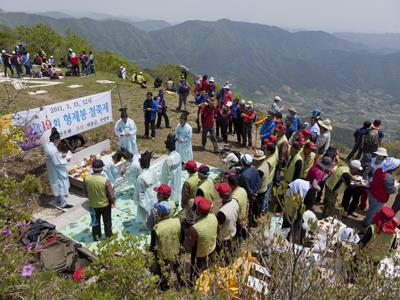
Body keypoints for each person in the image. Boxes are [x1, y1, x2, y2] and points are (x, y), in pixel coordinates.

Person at [149, 201, 182, 290]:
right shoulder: (177, 221)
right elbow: (181, 237)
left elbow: (153, 247)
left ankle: (165, 287)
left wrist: (153, 258)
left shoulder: (156, 228)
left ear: (160, 213)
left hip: (163, 255)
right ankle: (182, 283)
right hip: (176, 251)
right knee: (178, 268)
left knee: (164, 272)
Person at [186, 196, 218, 283]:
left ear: (197, 211)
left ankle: (194, 285)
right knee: (208, 268)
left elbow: (190, 244)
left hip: (199, 254)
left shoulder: (195, 228)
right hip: (211, 248)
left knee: (196, 272)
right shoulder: (214, 217)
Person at [84, 159, 115, 240]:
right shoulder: (105, 180)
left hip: (93, 205)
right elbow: (111, 194)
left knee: (95, 222)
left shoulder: (86, 179)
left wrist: (90, 198)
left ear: (92, 168)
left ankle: (96, 237)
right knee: (107, 221)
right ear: (102, 169)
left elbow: (85, 192)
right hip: (105, 205)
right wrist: (113, 201)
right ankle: (109, 236)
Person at [363, 157, 400, 226]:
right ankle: (366, 224)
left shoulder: (380, 169)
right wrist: (395, 187)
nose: (397, 168)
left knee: (371, 209)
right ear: (393, 167)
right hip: (379, 197)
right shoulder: (388, 177)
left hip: (372, 192)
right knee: (373, 212)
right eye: (397, 166)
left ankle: (366, 220)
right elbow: (390, 190)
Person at [43, 128, 73, 209]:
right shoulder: (53, 149)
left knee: (55, 183)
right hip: (57, 169)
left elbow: (55, 158)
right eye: (58, 140)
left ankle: (58, 199)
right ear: (55, 140)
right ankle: (63, 203)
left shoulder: (47, 145)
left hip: (51, 168)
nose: (59, 141)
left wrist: (61, 156)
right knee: (62, 184)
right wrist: (66, 159)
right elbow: (57, 162)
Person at [215, 182, 239, 261]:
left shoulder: (222, 212)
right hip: (233, 232)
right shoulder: (235, 202)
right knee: (230, 253)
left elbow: (217, 225)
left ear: (221, 195)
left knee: (222, 256)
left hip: (224, 238)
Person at [135, 152, 158, 224]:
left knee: (145, 211)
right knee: (153, 209)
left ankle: (148, 223)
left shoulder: (141, 177)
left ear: (141, 165)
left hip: (145, 196)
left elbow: (139, 191)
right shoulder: (153, 171)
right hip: (153, 193)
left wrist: (137, 200)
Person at [238, 154, 261, 227]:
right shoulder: (255, 169)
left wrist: (252, 194)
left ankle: (245, 229)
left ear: (243, 162)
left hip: (247, 197)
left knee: (246, 212)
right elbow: (258, 182)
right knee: (250, 211)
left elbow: (247, 189)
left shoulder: (243, 176)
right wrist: (254, 192)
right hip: (253, 194)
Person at [160, 134, 182, 206]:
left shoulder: (168, 160)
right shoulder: (178, 155)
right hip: (177, 177)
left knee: (172, 190)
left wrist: (163, 184)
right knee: (176, 187)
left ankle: (170, 204)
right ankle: (176, 200)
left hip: (170, 180)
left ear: (167, 148)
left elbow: (165, 175)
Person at [228, 174, 248, 241]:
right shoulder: (242, 189)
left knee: (238, 232)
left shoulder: (233, 197)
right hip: (244, 214)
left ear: (230, 184)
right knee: (241, 229)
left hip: (238, 218)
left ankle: (239, 241)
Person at [252, 150, 269, 223]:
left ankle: (256, 221)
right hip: (264, 187)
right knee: (259, 204)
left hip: (260, 190)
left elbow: (256, 182)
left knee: (256, 207)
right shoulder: (265, 163)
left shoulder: (260, 170)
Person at [263, 143, 278, 212]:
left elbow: (265, 171)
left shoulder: (269, 161)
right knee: (268, 194)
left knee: (265, 195)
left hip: (267, 180)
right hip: (271, 178)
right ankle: (266, 207)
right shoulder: (274, 156)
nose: (265, 150)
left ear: (269, 151)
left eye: (266, 149)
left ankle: (263, 209)